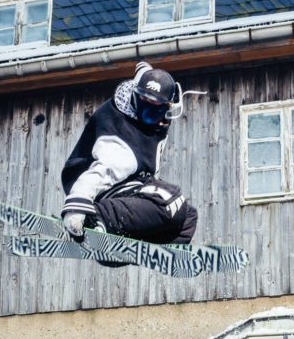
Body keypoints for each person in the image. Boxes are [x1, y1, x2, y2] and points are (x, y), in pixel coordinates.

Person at [61, 61, 198, 248]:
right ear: (135, 97)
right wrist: (77, 205)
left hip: (128, 188)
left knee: (188, 217)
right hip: (99, 189)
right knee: (172, 200)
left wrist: (144, 69)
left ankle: (137, 246)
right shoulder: (121, 141)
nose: (149, 114)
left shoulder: (141, 98)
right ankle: (97, 220)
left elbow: (144, 77)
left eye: (156, 109)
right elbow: (103, 171)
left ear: (167, 108)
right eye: (145, 105)